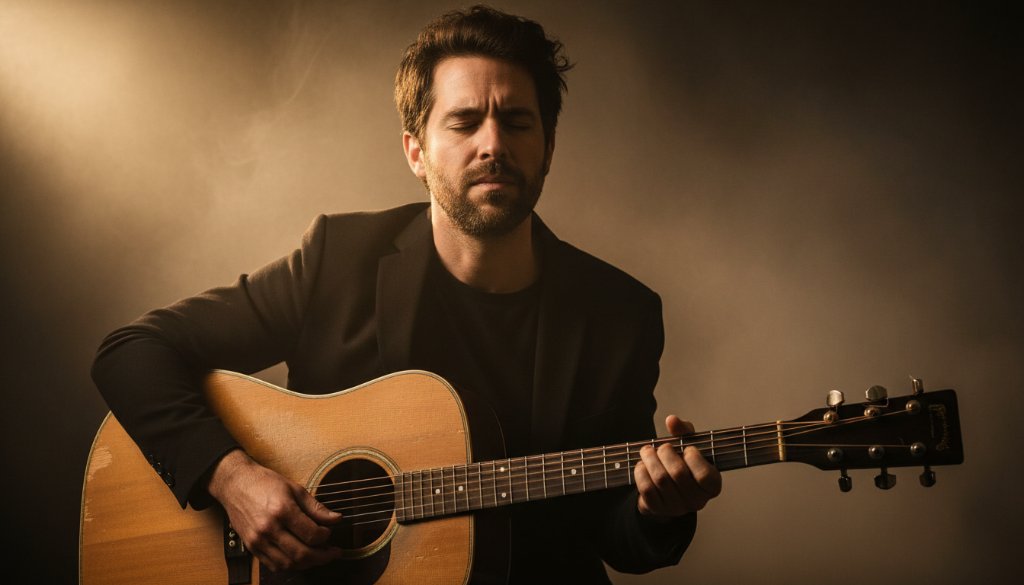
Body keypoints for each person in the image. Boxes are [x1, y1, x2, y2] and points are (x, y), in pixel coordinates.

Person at [91, 5, 722, 584]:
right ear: (416, 151)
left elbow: (613, 535)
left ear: (548, 149)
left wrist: (657, 509)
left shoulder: (620, 314)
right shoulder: (338, 260)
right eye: (464, 121)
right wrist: (231, 478)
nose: (493, 145)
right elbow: (131, 351)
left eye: (517, 122)